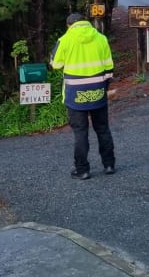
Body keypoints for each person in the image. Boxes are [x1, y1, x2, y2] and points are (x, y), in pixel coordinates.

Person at [49, 12, 116, 180]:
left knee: (80, 132)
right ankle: (109, 164)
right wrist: (104, 87)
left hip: (75, 94)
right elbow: (109, 67)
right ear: (85, 22)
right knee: (103, 129)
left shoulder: (65, 40)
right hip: (98, 91)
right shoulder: (101, 38)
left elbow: (55, 64)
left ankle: (82, 170)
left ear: (69, 25)